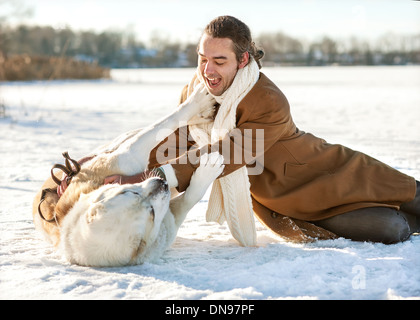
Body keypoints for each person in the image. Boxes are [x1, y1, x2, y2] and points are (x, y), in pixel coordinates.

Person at [107, 16, 420, 244]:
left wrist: (157, 177)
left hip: (330, 172)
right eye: (202, 59)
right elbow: (176, 144)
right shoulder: (196, 95)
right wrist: (111, 180)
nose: (208, 70)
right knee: (394, 229)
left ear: (243, 60)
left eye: (219, 60)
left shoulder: (266, 99)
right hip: (287, 202)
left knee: (412, 194)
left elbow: (226, 152)